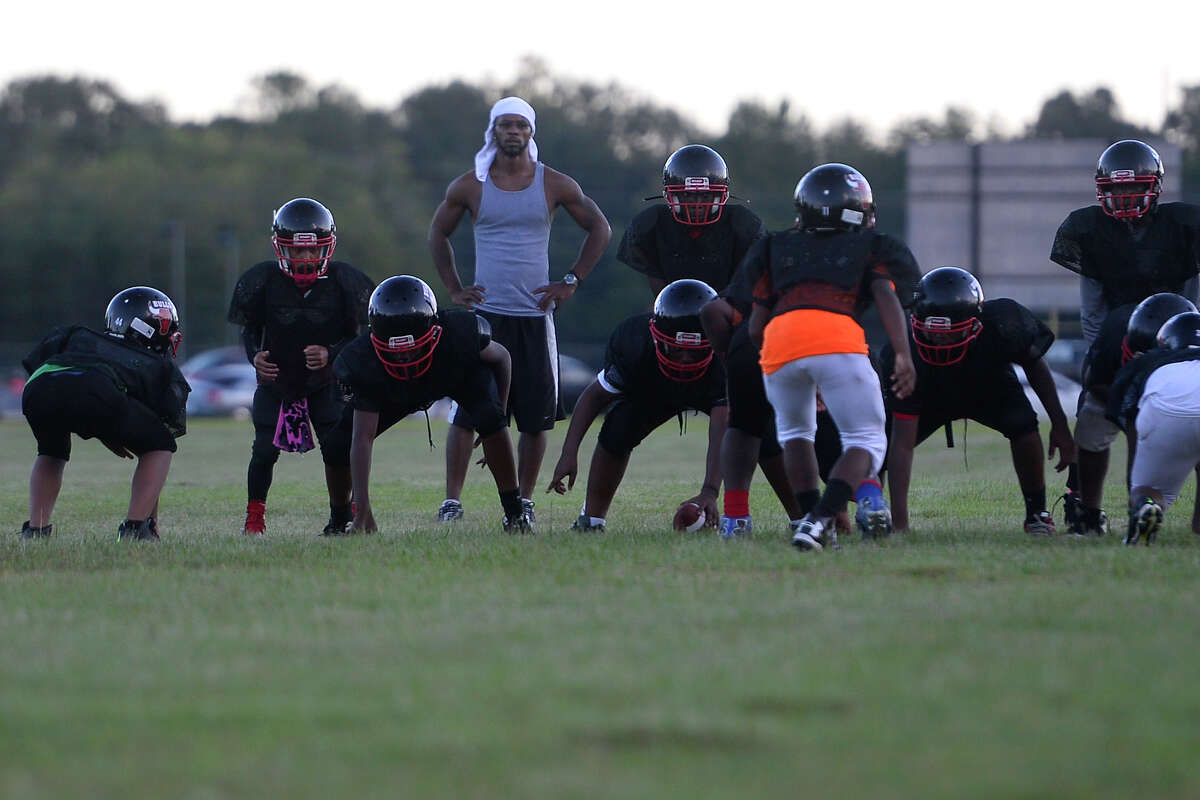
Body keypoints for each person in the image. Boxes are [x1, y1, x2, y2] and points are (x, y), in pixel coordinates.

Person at [429, 96, 611, 525]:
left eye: (521, 126)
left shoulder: (555, 184)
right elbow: (438, 232)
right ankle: (452, 501)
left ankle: (523, 502)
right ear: (493, 131)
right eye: (506, 125)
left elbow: (599, 227)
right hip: (486, 318)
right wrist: (454, 288)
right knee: (466, 413)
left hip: (535, 316)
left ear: (531, 133)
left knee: (535, 418)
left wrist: (571, 281)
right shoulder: (469, 186)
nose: (513, 132)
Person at [615, 143, 807, 538]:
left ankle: (796, 512)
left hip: (732, 329)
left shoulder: (743, 227)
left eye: (706, 194)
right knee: (625, 419)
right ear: (669, 196)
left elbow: (755, 288)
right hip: (672, 334)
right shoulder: (652, 226)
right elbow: (663, 298)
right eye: (689, 195)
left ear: (722, 194)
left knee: (757, 426)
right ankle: (592, 517)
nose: (699, 203)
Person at [742, 162, 920, 551]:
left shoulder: (776, 245)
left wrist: (781, 359)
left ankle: (810, 520)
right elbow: (888, 297)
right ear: (859, 210)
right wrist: (904, 355)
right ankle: (821, 520)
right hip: (834, 336)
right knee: (867, 441)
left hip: (779, 340)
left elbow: (755, 326)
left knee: (795, 435)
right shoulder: (870, 247)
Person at [1050, 139, 1200, 527]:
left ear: (1155, 186)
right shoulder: (1089, 230)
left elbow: (1192, 301)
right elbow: (1093, 312)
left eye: (1133, 186)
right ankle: (1086, 508)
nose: (1125, 196)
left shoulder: (1183, 228)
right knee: (1093, 423)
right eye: (1116, 189)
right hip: (1117, 341)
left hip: (1177, 340)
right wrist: (1101, 356)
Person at [882, 267, 1076, 535]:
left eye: (949, 332)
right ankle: (876, 513)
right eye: (932, 331)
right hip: (928, 390)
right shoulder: (902, 351)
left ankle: (1036, 513)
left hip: (987, 386)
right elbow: (902, 444)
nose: (939, 338)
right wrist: (900, 524)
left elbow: (1034, 365)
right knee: (881, 445)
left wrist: (1060, 424)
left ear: (976, 323)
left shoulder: (1002, 323)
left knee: (1023, 425)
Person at [332, 276, 529, 533]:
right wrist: (363, 512)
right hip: (393, 389)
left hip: (451, 375)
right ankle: (339, 520)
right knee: (336, 444)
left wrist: (499, 417)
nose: (404, 357)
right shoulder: (364, 359)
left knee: (490, 418)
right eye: (396, 350)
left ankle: (515, 513)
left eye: (411, 349)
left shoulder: (458, 335)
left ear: (435, 331)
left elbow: (502, 357)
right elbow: (362, 439)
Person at [227, 197, 375, 536]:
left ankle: (342, 515)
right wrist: (255, 356)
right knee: (263, 450)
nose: (306, 257)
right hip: (278, 379)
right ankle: (254, 519)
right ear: (282, 248)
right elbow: (249, 329)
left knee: (336, 449)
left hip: (325, 381)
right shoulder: (263, 279)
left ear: (327, 247)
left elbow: (360, 336)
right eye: (298, 250)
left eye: (312, 250)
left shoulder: (344, 281)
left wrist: (331, 353)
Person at [546, 280, 728, 531]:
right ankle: (592, 519)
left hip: (708, 385)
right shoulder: (635, 342)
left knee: (763, 433)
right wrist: (569, 453)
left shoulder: (728, 351)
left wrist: (710, 491)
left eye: (694, 352)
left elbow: (724, 426)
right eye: (676, 350)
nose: (685, 359)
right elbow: (594, 397)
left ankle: (799, 516)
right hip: (654, 388)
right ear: (656, 337)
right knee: (618, 428)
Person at [20, 286, 189, 541]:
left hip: (39, 386)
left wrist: (104, 428)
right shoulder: (150, 363)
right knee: (160, 445)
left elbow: (61, 381)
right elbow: (157, 438)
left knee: (51, 450)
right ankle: (136, 529)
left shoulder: (81, 336)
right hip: (95, 389)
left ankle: (35, 530)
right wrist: (150, 519)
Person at [1066, 293, 1196, 535]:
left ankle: (1143, 506)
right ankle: (1089, 513)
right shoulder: (1115, 334)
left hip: (1163, 400)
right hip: (1114, 388)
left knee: (1146, 474)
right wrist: (1128, 416)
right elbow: (1096, 381)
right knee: (1091, 430)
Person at [1108, 311, 1200, 545]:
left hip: (1166, 408)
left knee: (1149, 489)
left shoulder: (1149, 361)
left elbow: (1123, 408)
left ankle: (1146, 506)